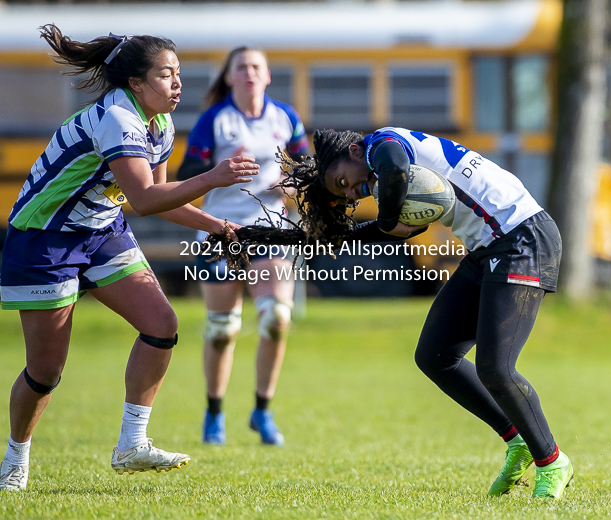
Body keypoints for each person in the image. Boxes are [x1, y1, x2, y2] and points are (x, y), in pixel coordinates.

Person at [0, 25, 259, 491]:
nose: (177, 83)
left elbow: (163, 197)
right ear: (136, 84)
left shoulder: (160, 123)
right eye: (166, 74)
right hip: (45, 239)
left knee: (162, 325)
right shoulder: (118, 118)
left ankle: (131, 444)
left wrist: (219, 227)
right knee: (46, 371)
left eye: (179, 73)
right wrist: (213, 179)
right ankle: (15, 458)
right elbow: (143, 198)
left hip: (100, 230)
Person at [279, 127, 573, 500]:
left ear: (354, 150)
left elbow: (397, 170)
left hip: (523, 239)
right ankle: (518, 441)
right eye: (345, 194)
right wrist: (339, 235)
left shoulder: (383, 146)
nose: (353, 192)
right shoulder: (380, 176)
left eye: (344, 181)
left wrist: (384, 221)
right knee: (435, 356)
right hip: (489, 247)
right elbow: (397, 229)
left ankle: (552, 461)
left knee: (496, 368)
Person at [176, 46, 310, 446]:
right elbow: (183, 176)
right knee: (222, 329)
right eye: (241, 67)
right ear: (230, 77)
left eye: (256, 67)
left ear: (267, 76)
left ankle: (262, 412)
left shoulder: (285, 117)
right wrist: (218, 172)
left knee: (276, 319)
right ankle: (214, 413)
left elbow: (309, 172)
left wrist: (289, 184)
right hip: (219, 233)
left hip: (271, 231)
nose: (249, 73)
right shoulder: (214, 120)